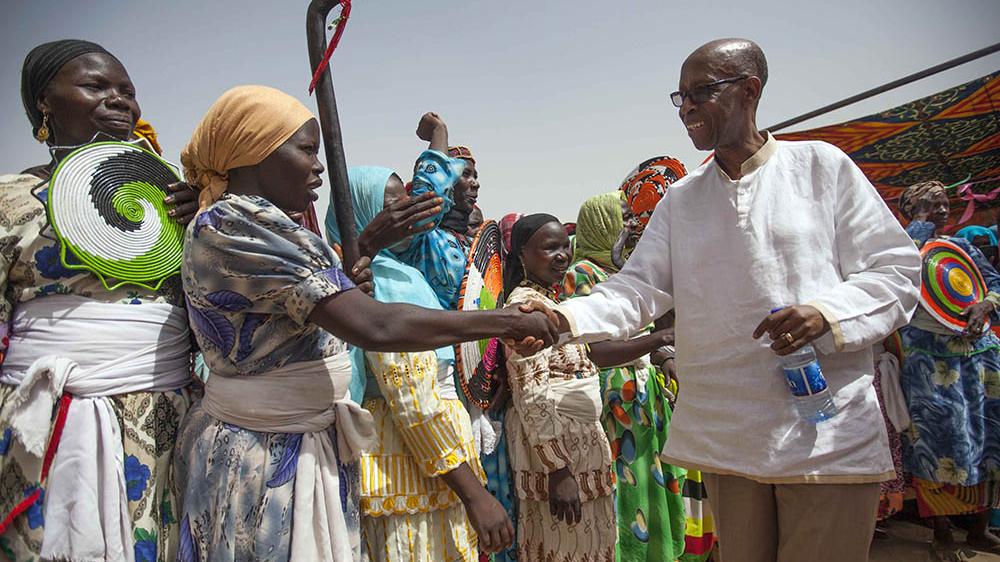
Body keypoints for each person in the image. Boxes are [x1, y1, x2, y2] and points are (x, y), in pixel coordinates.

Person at [521, 38, 922, 562]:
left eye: (700, 93)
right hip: (727, 436)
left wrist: (827, 314)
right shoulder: (682, 200)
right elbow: (636, 289)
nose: (686, 108)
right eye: (680, 96)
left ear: (749, 90)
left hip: (824, 433)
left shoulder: (821, 168)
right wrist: (562, 316)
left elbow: (897, 270)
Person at [173, 86, 554, 562]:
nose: (318, 167)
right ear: (255, 151)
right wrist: (501, 321)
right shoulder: (239, 225)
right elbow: (375, 328)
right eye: (306, 150)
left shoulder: (263, 224)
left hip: (292, 442)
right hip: (267, 451)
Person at [0, 39, 200, 562]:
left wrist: (199, 226)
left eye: (128, 92)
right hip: (45, 423)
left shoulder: (172, 200)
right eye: (96, 86)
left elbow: (206, 317)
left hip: (164, 423)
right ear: (44, 102)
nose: (120, 101)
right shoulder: (9, 200)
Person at [326, 165, 514, 561]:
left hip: (433, 466)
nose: (408, 214)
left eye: (408, 203)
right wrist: (475, 494)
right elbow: (415, 403)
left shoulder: (401, 274)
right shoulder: (381, 283)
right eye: (393, 207)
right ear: (364, 214)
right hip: (411, 469)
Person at [561, 189, 686, 562]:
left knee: (647, 486)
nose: (631, 226)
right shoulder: (581, 275)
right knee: (623, 494)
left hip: (643, 402)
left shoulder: (628, 273)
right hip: (613, 408)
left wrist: (663, 357)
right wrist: (658, 340)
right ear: (603, 224)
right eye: (624, 217)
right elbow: (594, 351)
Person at [895, 180, 1000, 557]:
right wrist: (920, 223)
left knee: (988, 439)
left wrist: (987, 305)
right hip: (930, 361)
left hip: (980, 356)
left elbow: (993, 283)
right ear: (911, 210)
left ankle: (979, 530)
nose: (940, 210)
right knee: (937, 442)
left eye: (943, 204)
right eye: (929, 204)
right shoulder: (900, 245)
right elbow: (902, 270)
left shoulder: (962, 247)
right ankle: (941, 534)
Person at [503, 214, 616, 562]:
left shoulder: (551, 302)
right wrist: (557, 470)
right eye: (549, 248)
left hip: (581, 447)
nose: (562, 255)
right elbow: (530, 392)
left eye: (565, 246)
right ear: (523, 254)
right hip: (559, 456)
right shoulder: (525, 307)